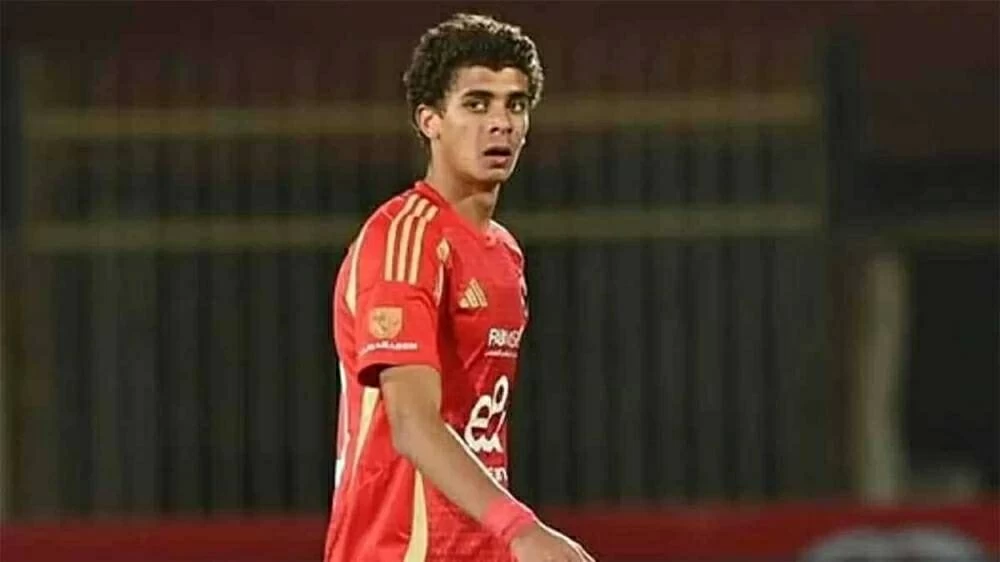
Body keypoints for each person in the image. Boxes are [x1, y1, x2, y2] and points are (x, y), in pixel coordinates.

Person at [325, 12, 594, 562]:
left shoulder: (505, 252)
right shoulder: (404, 238)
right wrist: (521, 529)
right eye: (476, 104)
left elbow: (476, 428)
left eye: (515, 105)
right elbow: (412, 423)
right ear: (430, 120)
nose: (500, 123)